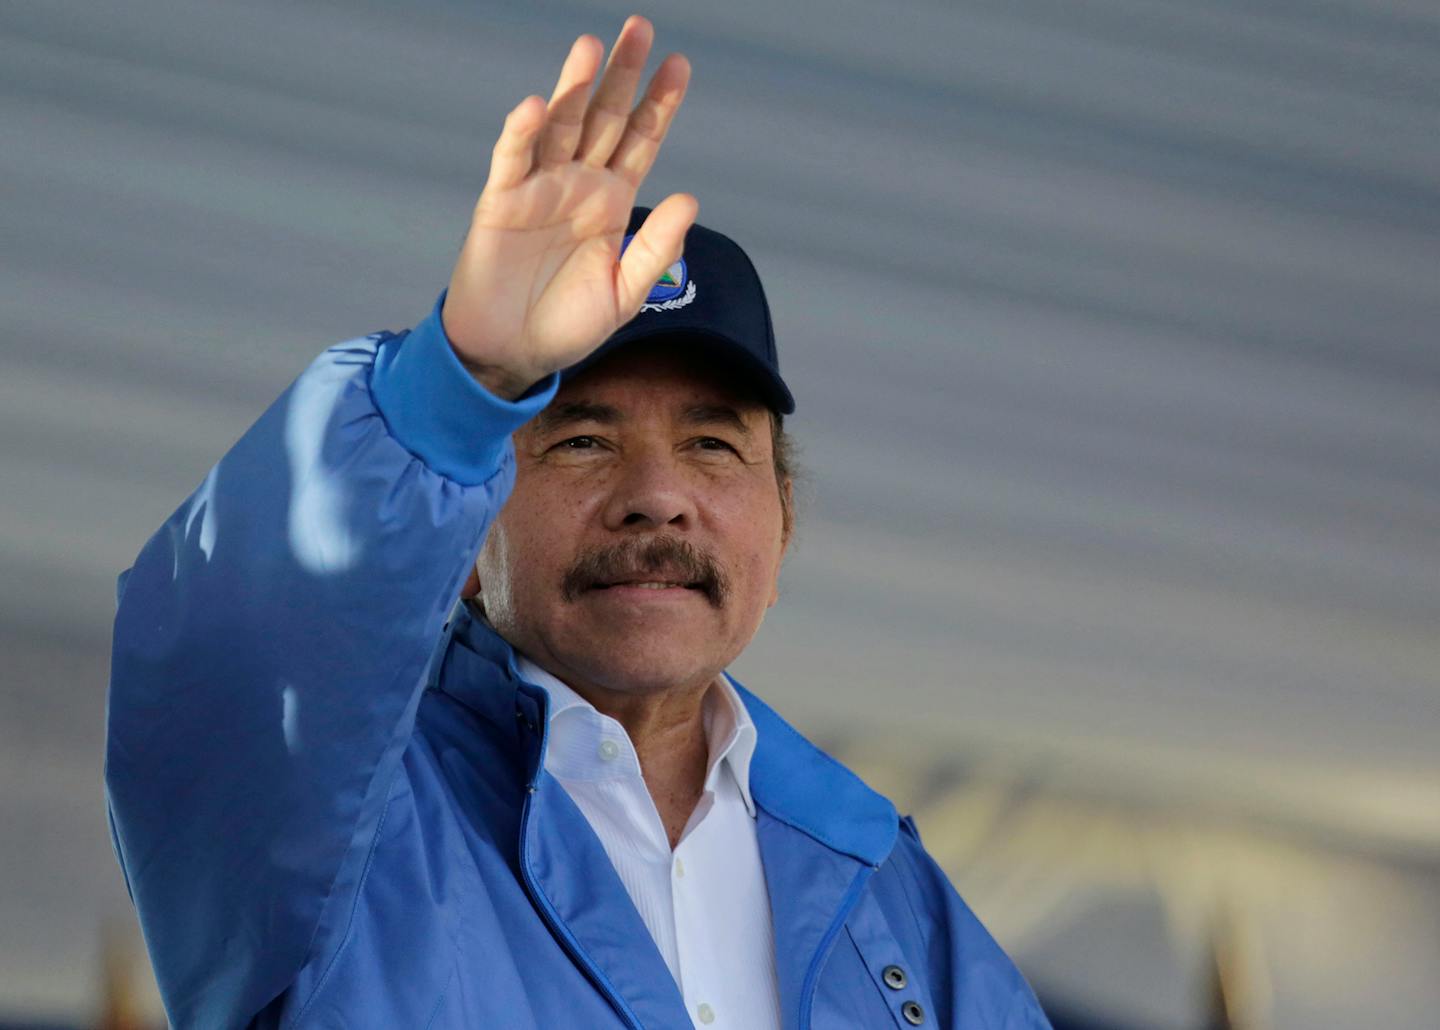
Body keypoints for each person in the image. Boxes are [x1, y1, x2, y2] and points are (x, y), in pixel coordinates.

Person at [105, 15, 1051, 1030]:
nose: (656, 494)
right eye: (582, 441)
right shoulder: (341, 824)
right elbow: (232, 660)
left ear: (781, 533)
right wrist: (458, 383)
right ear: (467, 540)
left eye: (713, 446)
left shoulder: (881, 882)